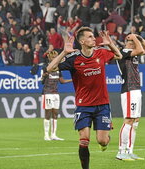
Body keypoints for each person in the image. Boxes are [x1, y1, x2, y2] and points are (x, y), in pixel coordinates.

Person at [47, 27, 122, 169]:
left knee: (102, 141)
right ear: (82, 41)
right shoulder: (73, 59)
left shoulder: (101, 53)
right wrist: (64, 52)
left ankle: (105, 141)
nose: (94, 39)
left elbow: (118, 55)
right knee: (84, 140)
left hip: (102, 105)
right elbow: (50, 68)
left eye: (94, 36)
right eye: (90, 37)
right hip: (83, 106)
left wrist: (110, 43)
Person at [116, 34, 145, 161]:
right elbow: (141, 50)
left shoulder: (133, 52)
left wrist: (140, 38)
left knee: (135, 121)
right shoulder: (124, 51)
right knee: (128, 120)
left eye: (133, 42)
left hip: (136, 89)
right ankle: (120, 151)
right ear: (127, 42)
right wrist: (135, 39)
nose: (133, 43)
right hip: (129, 89)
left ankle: (130, 151)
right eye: (131, 41)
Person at [41, 50, 72, 141]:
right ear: (50, 58)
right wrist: (44, 76)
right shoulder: (45, 67)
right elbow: (41, 81)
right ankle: (46, 135)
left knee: (55, 113)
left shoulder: (59, 68)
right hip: (47, 93)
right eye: (54, 57)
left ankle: (53, 134)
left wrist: (72, 79)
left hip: (55, 93)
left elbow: (62, 81)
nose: (55, 58)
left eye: (56, 57)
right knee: (48, 113)